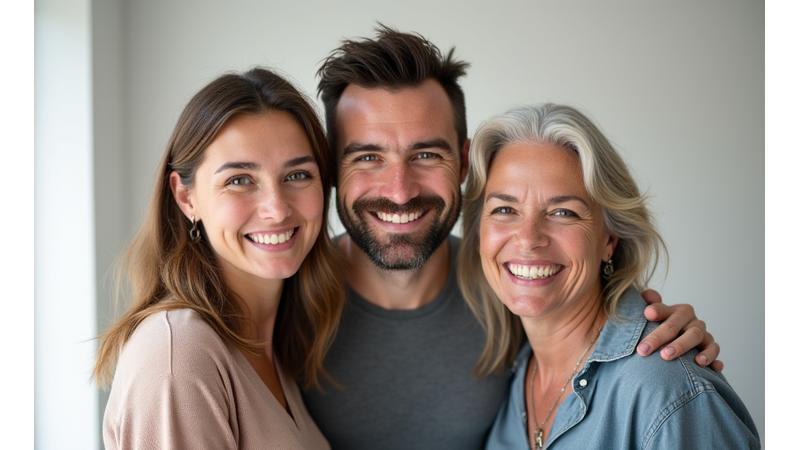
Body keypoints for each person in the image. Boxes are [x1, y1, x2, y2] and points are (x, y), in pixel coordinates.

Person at [302, 26, 724, 450]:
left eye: (426, 154)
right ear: (331, 166)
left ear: (463, 161)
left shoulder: (504, 295)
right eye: (368, 157)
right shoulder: (285, 303)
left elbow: (609, 347)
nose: (399, 190)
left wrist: (671, 359)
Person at [457, 103, 760, 449]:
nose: (528, 239)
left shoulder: (667, 392)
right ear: (479, 230)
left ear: (609, 240)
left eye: (562, 212)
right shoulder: (512, 373)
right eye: (505, 209)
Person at [94, 68, 343, 450]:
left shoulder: (275, 347)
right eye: (239, 180)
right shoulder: (179, 357)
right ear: (186, 197)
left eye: (297, 175)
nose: (277, 209)